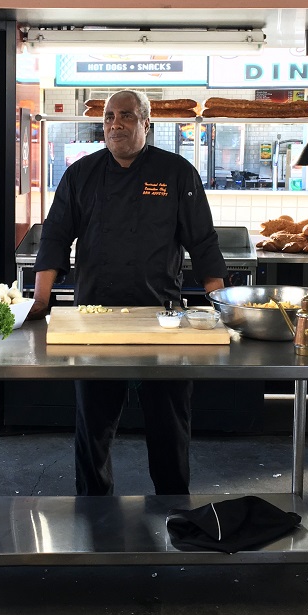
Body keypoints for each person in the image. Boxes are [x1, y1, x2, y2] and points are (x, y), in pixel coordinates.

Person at [29, 89, 226, 496]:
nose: (115, 124)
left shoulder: (176, 173)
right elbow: (55, 238)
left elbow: (203, 243)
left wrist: (221, 303)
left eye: (126, 116)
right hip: (93, 319)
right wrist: (41, 299)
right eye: (109, 117)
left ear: (146, 124)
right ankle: (92, 507)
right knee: (93, 426)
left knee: (169, 425)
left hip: (163, 319)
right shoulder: (80, 174)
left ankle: (174, 506)